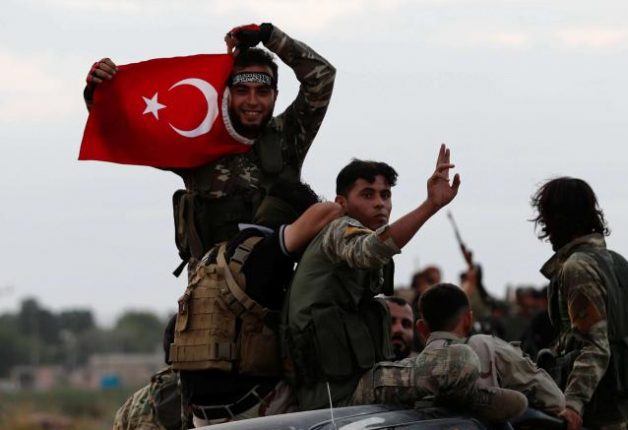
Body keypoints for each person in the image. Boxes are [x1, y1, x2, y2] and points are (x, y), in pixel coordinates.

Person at [84, 22, 336, 275]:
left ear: (275, 95)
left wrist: (271, 36)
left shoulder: (288, 137)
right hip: (212, 288)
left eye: (262, 91)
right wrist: (100, 90)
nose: (252, 101)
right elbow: (126, 131)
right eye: (242, 91)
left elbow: (322, 76)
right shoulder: (196, 138)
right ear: (226, 94)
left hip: (277, 286)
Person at [283, 144, 462, 410]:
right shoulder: (338, 229)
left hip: (357, 382)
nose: (380, 203)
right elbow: (371, 249)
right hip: (335, 395)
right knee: (458, 363)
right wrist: (430, 205)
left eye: (385, 195)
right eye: (368, 194)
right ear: (342, 203)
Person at [168, 181, 342, 427]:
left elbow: (171, 333)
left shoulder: (213, 258)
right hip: (251, 409)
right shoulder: (263, 252)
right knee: (332, 408)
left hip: (202, 416)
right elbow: (328, 212)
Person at [531, 177, 628, 430]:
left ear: (559, 219)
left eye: (547, 218)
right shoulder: (618, 262)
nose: (545, 228)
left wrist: (573, 404)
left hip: (601, 412)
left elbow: (595, 345)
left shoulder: (577, 267)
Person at [416, 283, 564, 416]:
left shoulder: (410, 369)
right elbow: (553, 398)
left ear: (421, 328)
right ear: (468, 320)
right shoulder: (487, 347)